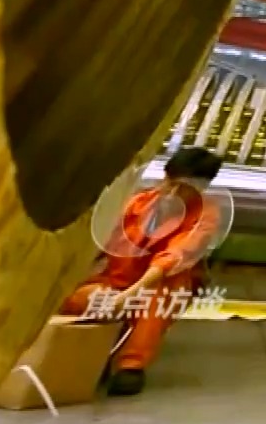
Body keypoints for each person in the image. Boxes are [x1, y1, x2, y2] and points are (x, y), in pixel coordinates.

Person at [57, 146, 227, 396]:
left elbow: (173, 257)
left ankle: (131, 367)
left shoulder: (206, 215)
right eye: (172, 184)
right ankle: (100, 349)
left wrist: (129, 295)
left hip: (159, 286)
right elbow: (102, 244)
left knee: (159, 295)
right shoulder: (137, 203)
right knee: (71, 299)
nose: (174, 193)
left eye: (186, 189)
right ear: (165, 177)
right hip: (116, 282)